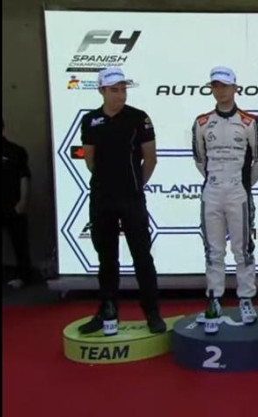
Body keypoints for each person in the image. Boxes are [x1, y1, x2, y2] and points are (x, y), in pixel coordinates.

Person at [77, 67, 166, 336]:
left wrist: (136, 184)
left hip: (132, 198)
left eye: (123, 89)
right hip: (102, 198)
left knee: (142, 256)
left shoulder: (139, 118)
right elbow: (90, 160)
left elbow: (150, 158)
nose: (120, 95)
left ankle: (152, 312)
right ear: (102, 91)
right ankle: (107, 311)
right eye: (114, 90)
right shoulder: (90, 120)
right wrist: (107, 182)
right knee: (107, 258)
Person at [192, 66, 258, 333]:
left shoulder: (250, 122)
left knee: (243, 249)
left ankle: (246, 298)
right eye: (216, 85)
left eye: (225, 86)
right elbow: (199, 159)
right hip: (212, 191)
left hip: (239, 193)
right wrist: (215, 180)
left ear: (235, 88)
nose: (220, 90)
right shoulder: (202, 122)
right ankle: (214, 299)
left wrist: (244, 185)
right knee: (213, 250)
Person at [2, 119, 32, 288]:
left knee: (20, 242)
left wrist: (23, 202)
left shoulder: (15, 151)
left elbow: (25, 177)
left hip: (12, 205)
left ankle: (24, 276)